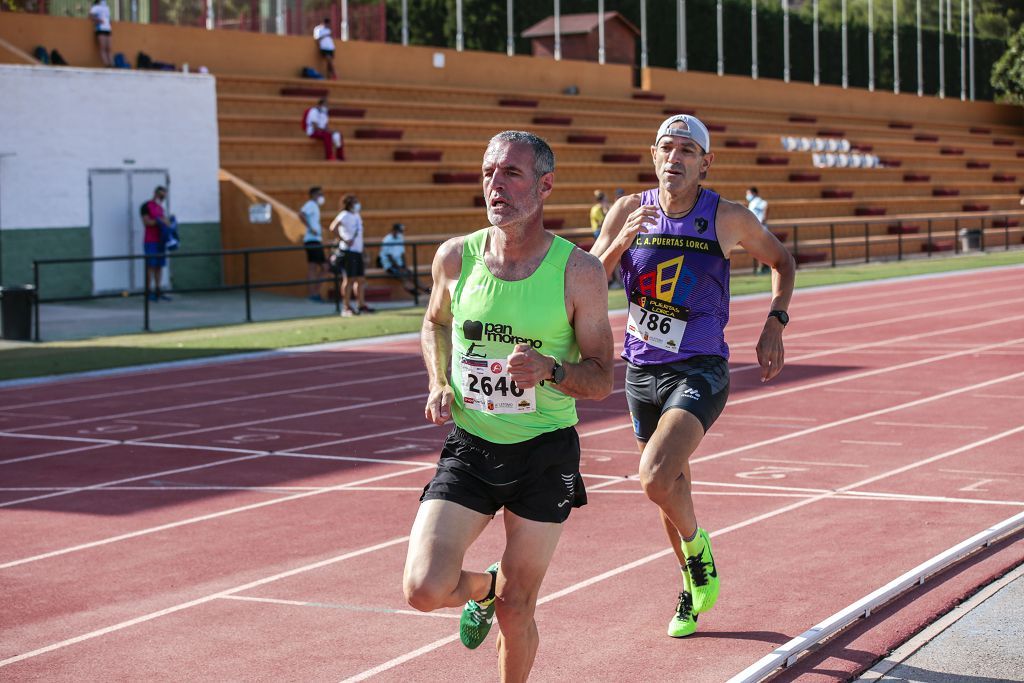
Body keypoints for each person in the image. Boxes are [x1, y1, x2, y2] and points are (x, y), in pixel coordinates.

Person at [403, 131, 615, 681]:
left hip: (544, 453)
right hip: (472, 446)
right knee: (424, 589)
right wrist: (438, 380)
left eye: (511, 175)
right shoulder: (456, 257)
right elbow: (434, 322)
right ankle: (487, 584)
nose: (495, 186)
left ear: (545, 186)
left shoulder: (579, 272)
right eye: (488, 173)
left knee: (518, 609)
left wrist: (552, 370)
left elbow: (601, 378)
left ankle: (504, 600)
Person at [590, 114, 795, 638]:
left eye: (686, 150)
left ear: (705, 163)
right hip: (641, 370)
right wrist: (617, 245)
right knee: (669, 488)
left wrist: (776, 320)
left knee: (655, 475)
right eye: (666, 148)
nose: (674, 158)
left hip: (701, 366)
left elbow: (782, 261)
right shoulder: (627, 210)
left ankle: (697, 548)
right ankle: (691, 587)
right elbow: (588, 279)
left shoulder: (726, 217)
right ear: (653, 156)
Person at [329, 194, 370, 316]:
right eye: (354, 202)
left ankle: (360, 304)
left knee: (361, 279)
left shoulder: (357, 216)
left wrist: (364, 251)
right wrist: (343, 239)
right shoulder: (344, 215)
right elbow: (333, 227)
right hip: (348, 251)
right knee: (349, 280)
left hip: (357, 251)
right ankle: (346, 307)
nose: (357, 204)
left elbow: (359, 236)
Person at [141, 186, 172, 302]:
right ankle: (148, 292)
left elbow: (165, 221)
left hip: (161, 241)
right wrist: (159, 221)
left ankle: (158, 290)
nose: (162, 197)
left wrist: (168, 223)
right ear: (155, 193)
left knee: (159, 266)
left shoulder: (160, 208)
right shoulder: (146, 206)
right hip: (150, 241)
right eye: (160, 195)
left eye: (164, 195)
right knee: (150, 267)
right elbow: (146, 222)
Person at [300, 186, 328, 302]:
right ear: (313, 195)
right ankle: (314, 293)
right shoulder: (310, 204)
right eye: (319, 194)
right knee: (324, 267)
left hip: (314, 240)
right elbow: (301, 214)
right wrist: (311, 228)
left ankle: (314, 293)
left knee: (313, 267)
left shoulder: (314, 206)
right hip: (312, 240)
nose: (321, 197)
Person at [378, 222, 421, 295]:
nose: (401, 233)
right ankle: (413, 291)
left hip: (398, 264)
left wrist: (404, 266)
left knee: (411, 274)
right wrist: (399, 268)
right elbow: (389, 257)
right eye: (400, 231)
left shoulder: (400, 238)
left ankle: (426, 290)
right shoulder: (387, 240)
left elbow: (402, 253)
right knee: (402, 275)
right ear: (394, 230)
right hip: (389, 264)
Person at [303, 97, 345, 161]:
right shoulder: (313, 111)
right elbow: (315, 127)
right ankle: (329, 156)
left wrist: (332, 131)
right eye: (325, 105)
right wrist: (328, 132)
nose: (326, 107)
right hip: (313, 132)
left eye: (327, 105)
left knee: (338, 135)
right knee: (327, 135)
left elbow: (325, 127)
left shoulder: (324, 113)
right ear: (320, 105)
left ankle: (340, 156)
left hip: (323, 132)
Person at [746, 186, 770, 273]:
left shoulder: (757, 201)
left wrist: (764, 218)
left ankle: (763, 268)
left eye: (748, 193)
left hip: (760, 228)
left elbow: (766, 205)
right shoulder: (752, 203)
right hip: (754, 228)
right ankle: (761, 267)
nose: (747, 195)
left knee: (760, 249)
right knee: (758, 249)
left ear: (754, 193)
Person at [89, 0, 113, 68]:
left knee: (109, 47)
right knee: (103, 47)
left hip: (108, 29)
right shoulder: (95, 7)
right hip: (100, 29)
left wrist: (109, 23)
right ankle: (106, 64)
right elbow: (90, 16)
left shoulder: (107, 8)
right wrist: (98, 20)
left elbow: (108, 18)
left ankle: (111, 64)